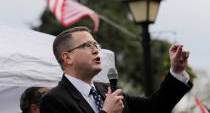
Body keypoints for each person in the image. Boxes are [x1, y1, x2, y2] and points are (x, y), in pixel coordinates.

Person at [40, 26, 193, 113]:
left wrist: (176, 71)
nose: (95, 50)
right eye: (87, 46)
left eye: (96, 45)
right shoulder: (54, 100)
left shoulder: (107, 91)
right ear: (67, 58)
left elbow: (156, 107)